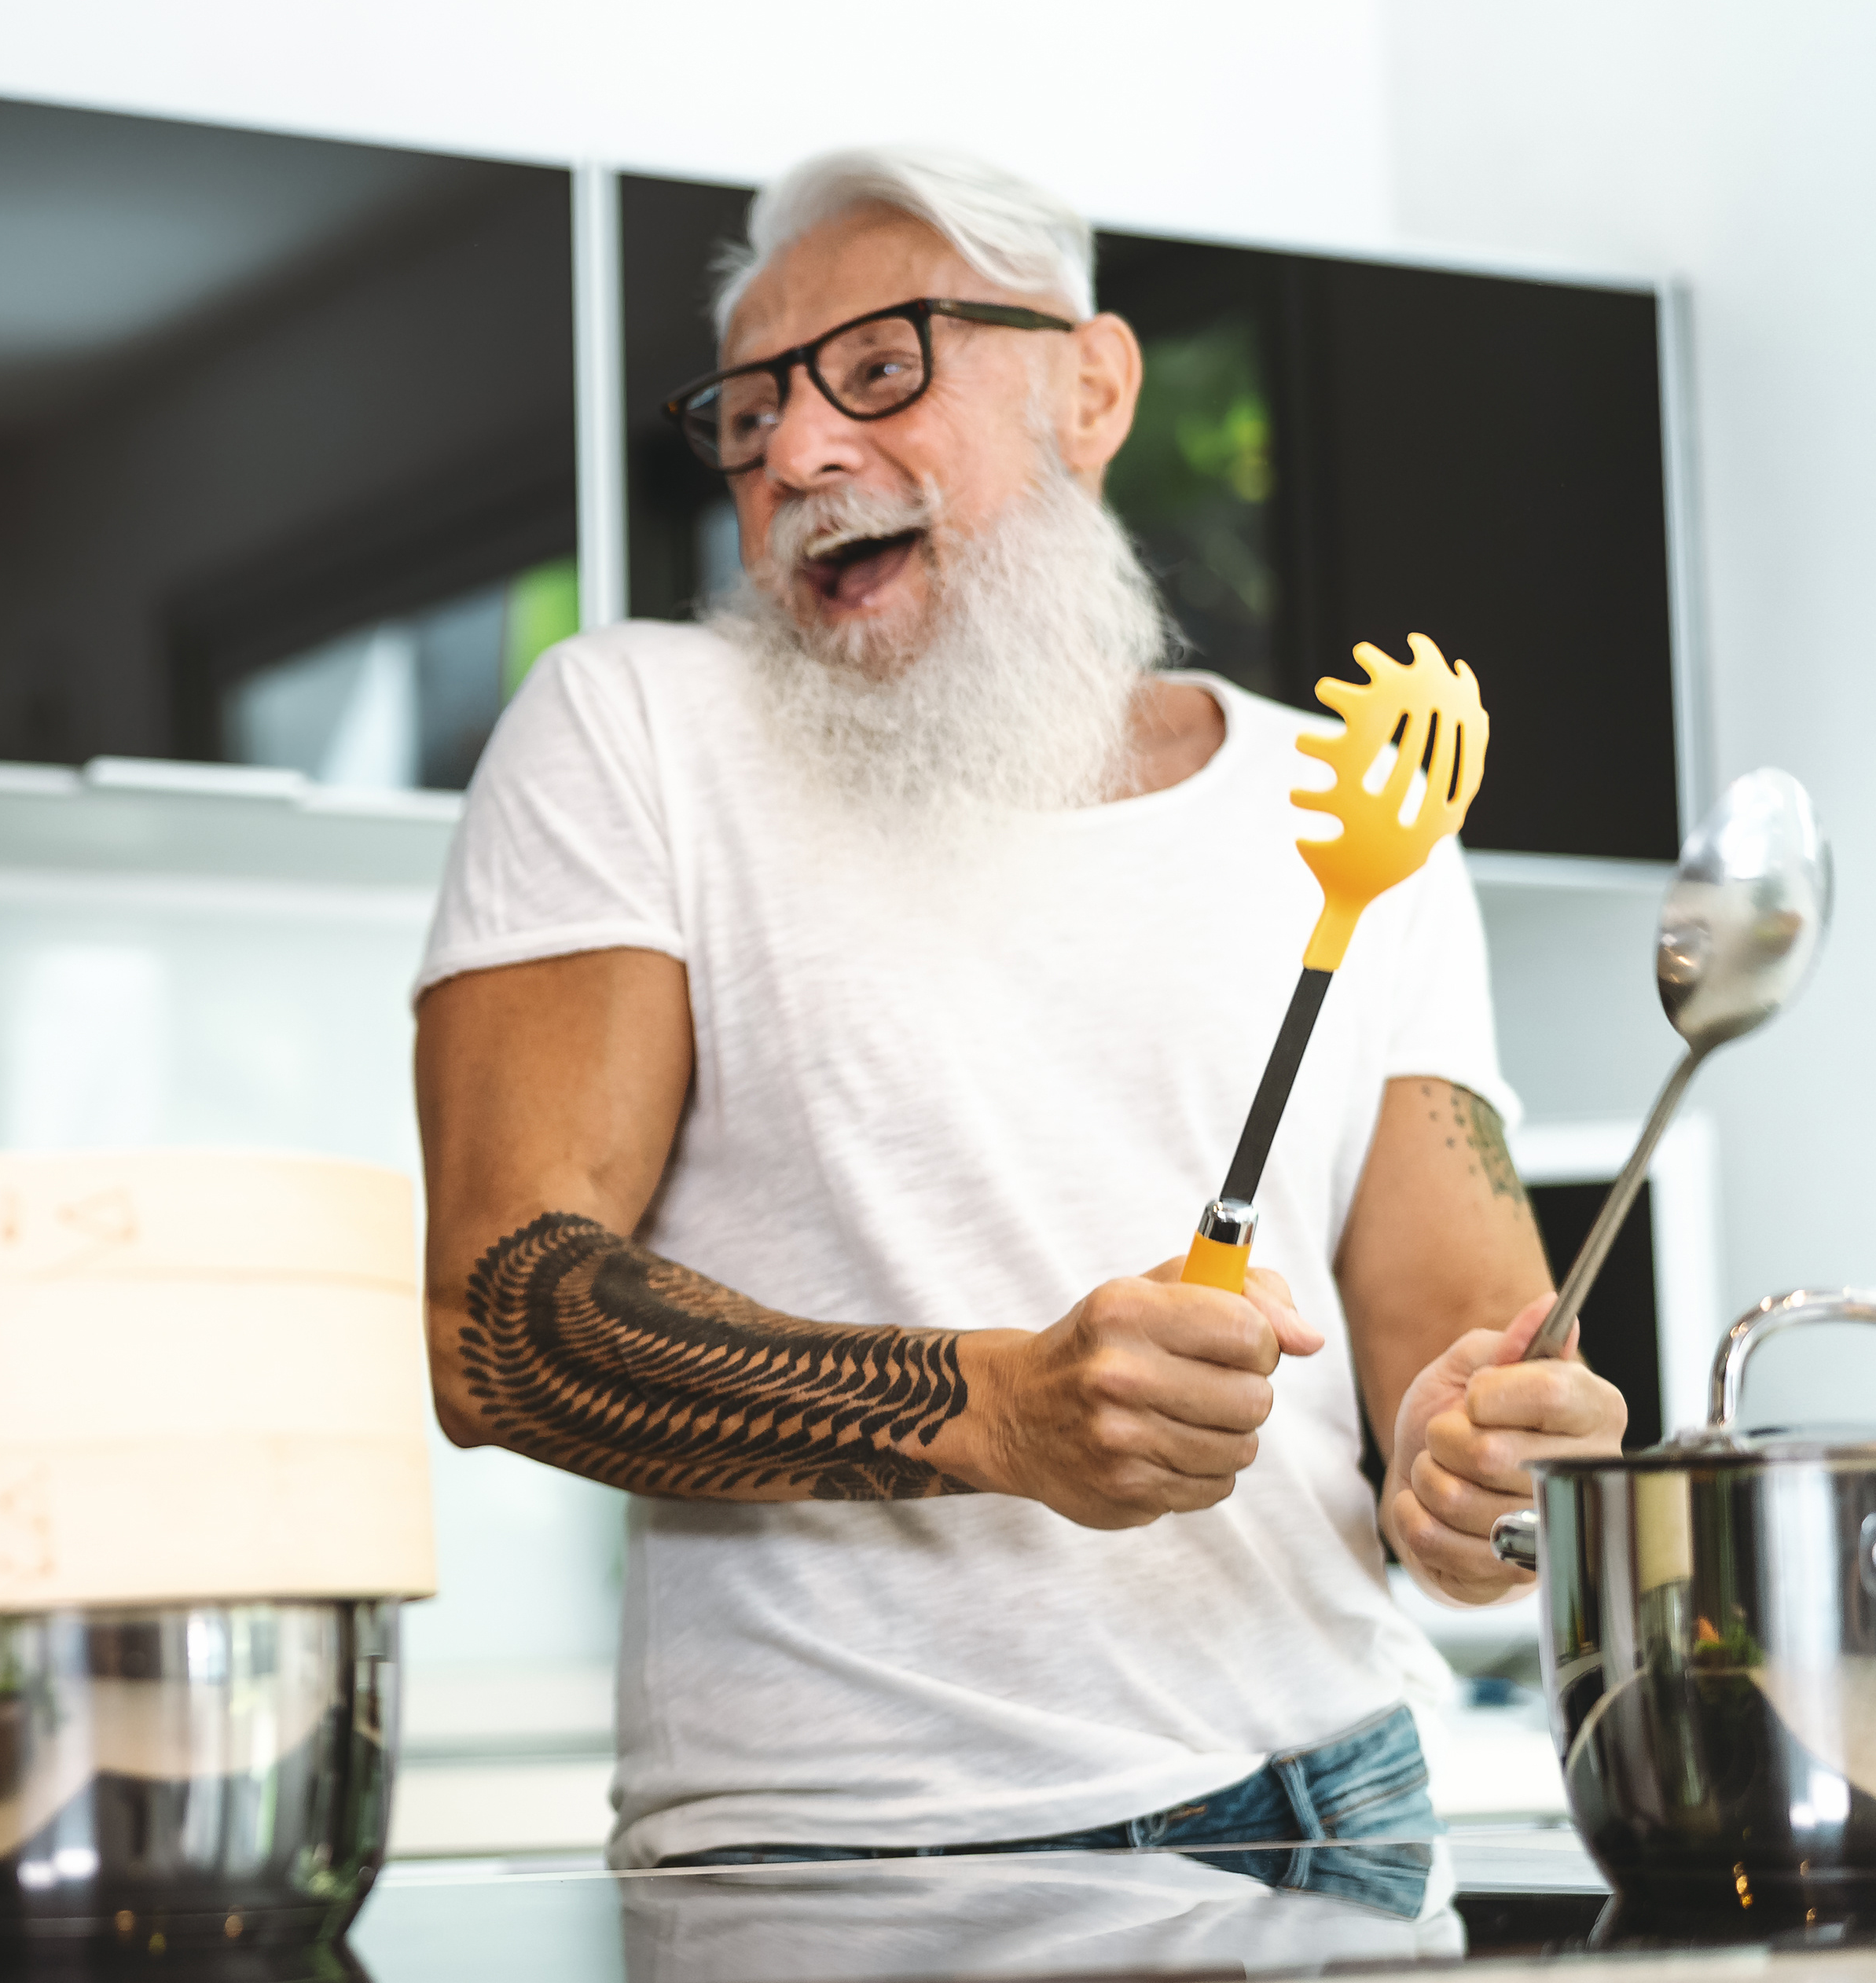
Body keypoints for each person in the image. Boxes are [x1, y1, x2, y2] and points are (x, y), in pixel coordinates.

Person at [413, 146, 1628, 1871]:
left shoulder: (1360, 811)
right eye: (749, 415)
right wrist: (997, 1409)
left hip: (1327, 1811)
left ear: (1091, 382)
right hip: (839, 1848)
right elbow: (499, 1323)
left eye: (882, 370)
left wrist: (1501, 1479)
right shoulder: (633, 732)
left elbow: (1466, 1398)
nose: (801, 453)